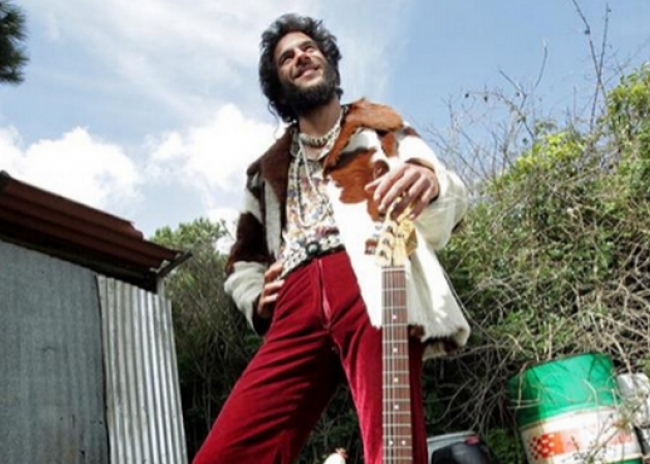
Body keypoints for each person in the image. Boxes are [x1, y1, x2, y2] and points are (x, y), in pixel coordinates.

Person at [193, 13, 470, 464]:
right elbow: (241, 261)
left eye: (309, 48)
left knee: (394, 449)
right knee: (224, 454)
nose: (301, 57)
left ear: (329, 62)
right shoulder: (265, 171)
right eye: (286, 57)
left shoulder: (381, 127)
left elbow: (446, 188)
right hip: (294, 302)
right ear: (278, 86)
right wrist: (256, 296)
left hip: (374, 278)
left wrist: (431, 181)